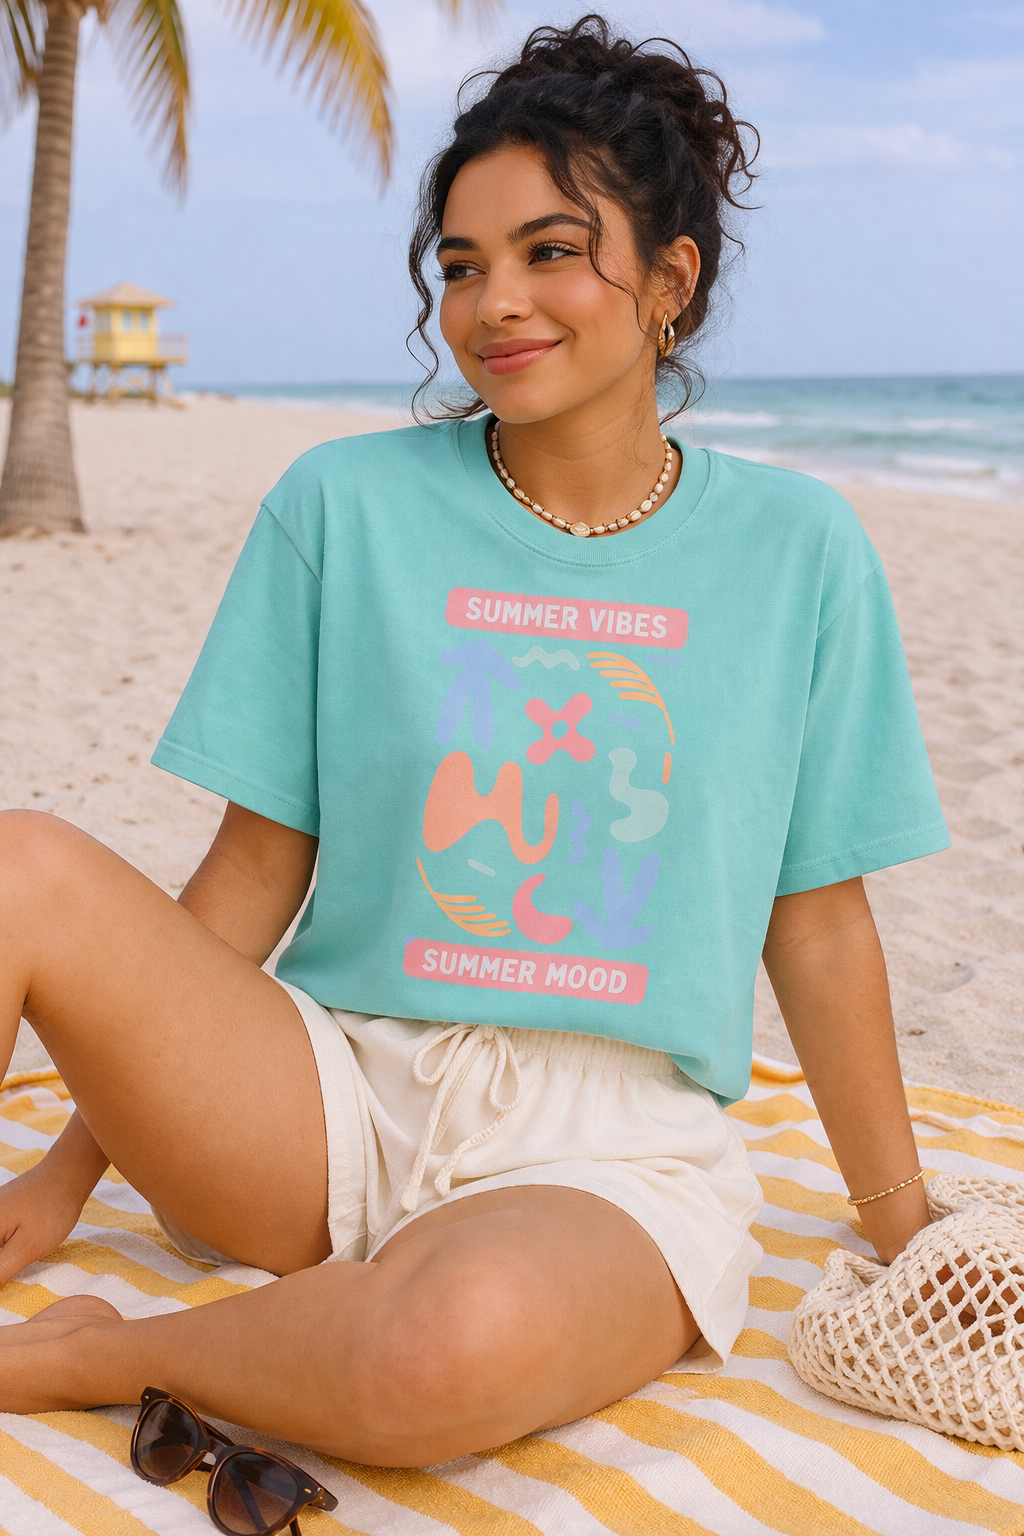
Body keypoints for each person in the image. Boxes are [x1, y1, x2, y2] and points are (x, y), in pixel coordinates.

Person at [0, 15, 948, 1468]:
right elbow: (261, 861)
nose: (496, 301)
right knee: (20, 866)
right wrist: (77, 1166)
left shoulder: (797, 552)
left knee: (446, 1352)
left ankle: (99, 1361)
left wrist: (909, 1229)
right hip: (324, 1095)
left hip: (610, 1154)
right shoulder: (343, 510)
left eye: (552, 250)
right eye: (460, 264)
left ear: (670, 282)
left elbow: (814, 927)